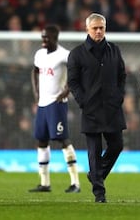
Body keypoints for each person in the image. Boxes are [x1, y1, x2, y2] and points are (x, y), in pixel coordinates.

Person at [67, 13, 126, 203]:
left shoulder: (114, 50)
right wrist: (83, 101)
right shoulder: (76, 54)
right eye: (95, 28)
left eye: (102, 27)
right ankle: (99, 193)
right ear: (87, 29)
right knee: (94, 150)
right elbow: (73, 82)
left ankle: (95, 174)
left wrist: (119, 96)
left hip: (112, 107)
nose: (99, 31)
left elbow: (122, 75)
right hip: (91, 109)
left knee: (117, 146)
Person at [29, 24, 80, 193]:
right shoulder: (39, 54)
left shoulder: (65, 55)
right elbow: (34, 71)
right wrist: (36, 91)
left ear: (55, 38)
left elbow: (77, 74)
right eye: (42, 37)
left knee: (62, 139)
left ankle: (75, 183)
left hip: (56, 104)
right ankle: (44, 183)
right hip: (42, 104)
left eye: (46, 37)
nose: (43, 40)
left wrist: (66, 91)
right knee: (41, 141)